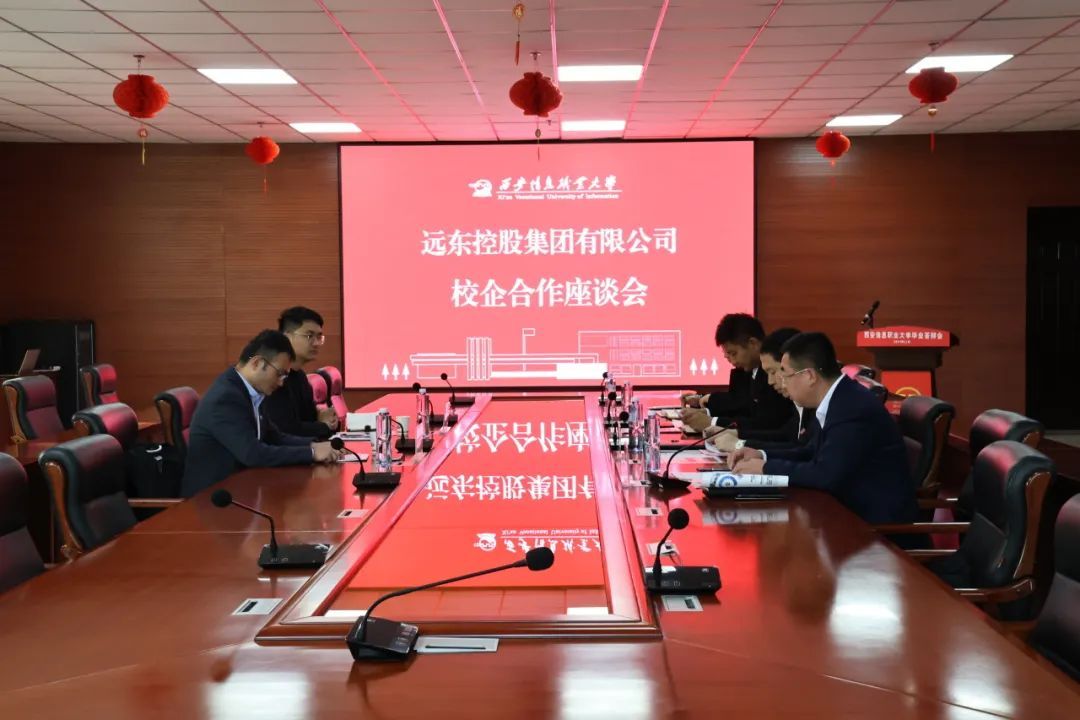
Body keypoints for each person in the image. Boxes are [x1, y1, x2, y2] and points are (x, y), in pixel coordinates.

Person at [730, 332, 918, 526]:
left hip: (875, 529)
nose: (782, 382)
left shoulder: (851, 408)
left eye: (786, 375)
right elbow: (810, 451)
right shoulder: (840, 397)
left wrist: (766, 468)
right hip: (847, 514)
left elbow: (825, 474)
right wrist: (761, 455)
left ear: (809, 376)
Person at [180, 329, 342, 497]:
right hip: (215, 499)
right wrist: (312, 453)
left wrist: (314, 444)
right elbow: (252, 453)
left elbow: (274, 437)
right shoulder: (225, 398)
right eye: (279, 374)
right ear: (256, 363)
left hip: (245, 488)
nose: (281, 383)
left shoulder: (252, 391)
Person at [681, 313, 792, 433]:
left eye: (733, 353)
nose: (731, 361)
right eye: (727, 356)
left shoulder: (773, 377)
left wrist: (712, 422)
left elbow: (767, 423)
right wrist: (706, 410)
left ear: (753, 344)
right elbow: (740, 405)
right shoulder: (748, 370)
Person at [263, 306, 339, 440]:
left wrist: (326, 419)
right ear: (287, 337)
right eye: (309, 336)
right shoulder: (274, 376)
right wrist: (324, 426)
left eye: (319, 337)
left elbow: (310, 420)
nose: (316, 343)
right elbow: (287, 430)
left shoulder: (300, 376)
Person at [741, 327, 817, 450]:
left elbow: (805, 453)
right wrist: (739, 437)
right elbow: (787, 435)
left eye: (773, 372)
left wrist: (739, 444)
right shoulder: (801, 403)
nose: (770, 382)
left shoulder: (824, 406)